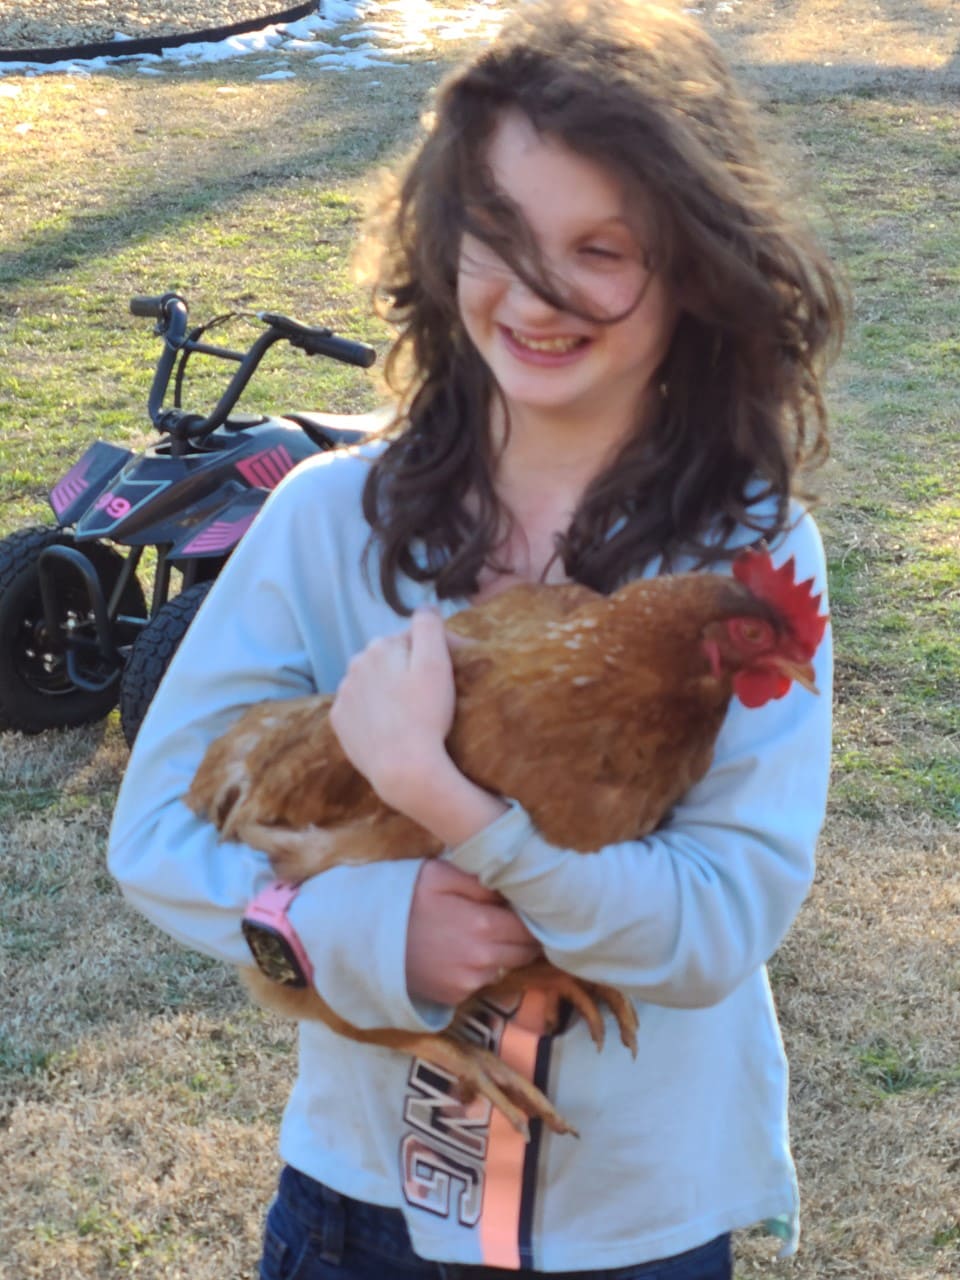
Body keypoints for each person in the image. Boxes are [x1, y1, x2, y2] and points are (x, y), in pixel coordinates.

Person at [108, 1, 844, 1276]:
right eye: (498, 238)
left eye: (600, 248)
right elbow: (159, 836)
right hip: (362, 1206)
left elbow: (725, 913)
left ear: (695, 269)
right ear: (442, 245)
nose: (541, 291)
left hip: (637, 1219)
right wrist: (359, 926)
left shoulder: (744, 565)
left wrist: (461, 814)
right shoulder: (330, 519)